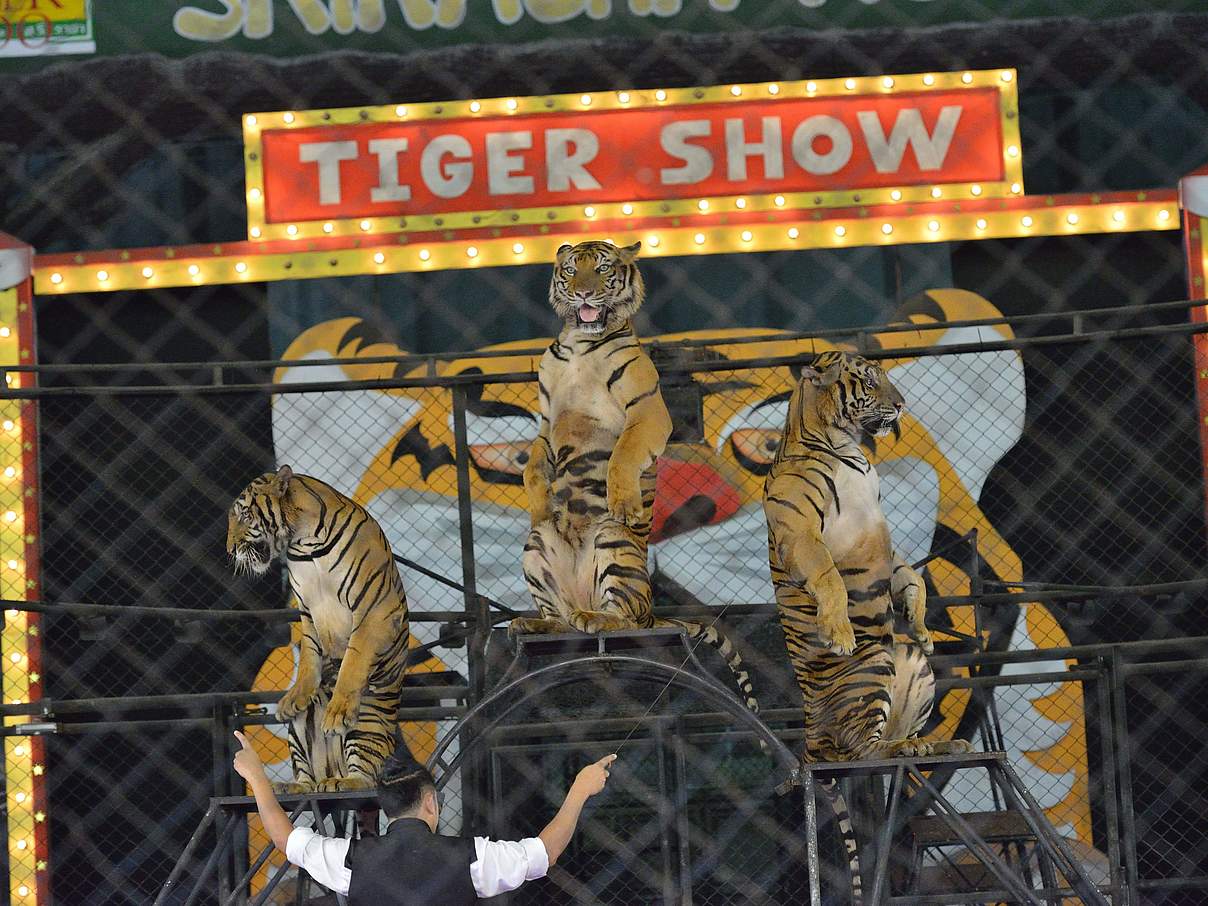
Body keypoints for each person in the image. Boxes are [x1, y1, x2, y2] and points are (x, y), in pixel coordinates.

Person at [232, 730, 616, 904]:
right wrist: (579, 789)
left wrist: (257, 777)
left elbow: (286, 839)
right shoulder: (471, 857)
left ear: (386, 809)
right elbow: (543, 854)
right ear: (431, 802)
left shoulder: (353, 860)